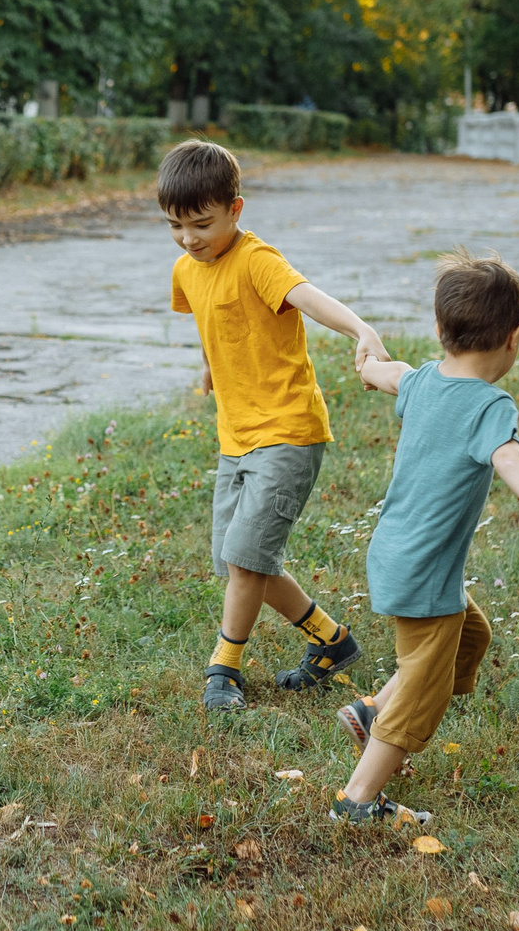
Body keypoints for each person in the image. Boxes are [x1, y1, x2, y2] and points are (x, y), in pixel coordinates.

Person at [329, 251, 519, 825]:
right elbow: (509, 456)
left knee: (471, 638)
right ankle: (358, 800)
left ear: (439, 329)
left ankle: (371, 707)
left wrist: (368, 359)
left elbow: (384, 373)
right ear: (514, 338)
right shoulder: (489, 404)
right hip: (425, 570)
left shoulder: (423, 380)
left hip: (398, 556)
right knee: (422, 695)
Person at [160, 139, 388, 712]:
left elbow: (307, 297)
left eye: (202, 224)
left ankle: (224, 669)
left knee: (244, 559)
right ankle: (333, 643)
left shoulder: (256, 260)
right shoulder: (188, 270)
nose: (190, 238)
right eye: (175, 226)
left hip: (288, 431)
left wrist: (361, 330)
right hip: (235, 438)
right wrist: (210, 367)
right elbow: (214, 325)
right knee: (245, 560)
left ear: (235, 210)